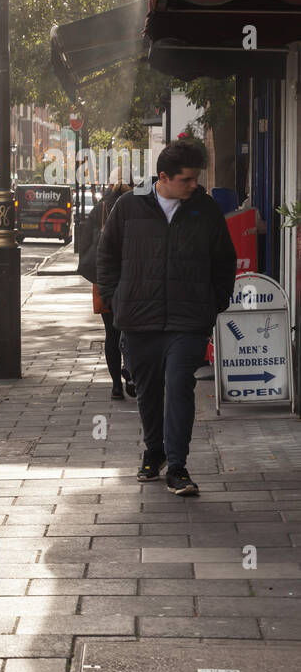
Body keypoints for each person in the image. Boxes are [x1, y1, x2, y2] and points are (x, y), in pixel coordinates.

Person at [95, 140, 236, 496]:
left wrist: (214, 303)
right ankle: (153, 451)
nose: (194, 186)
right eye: (187, 180)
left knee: (178, 387)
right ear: (164, 178)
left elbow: (224, 260)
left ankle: (177, 465)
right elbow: (106, 255)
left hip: (189, 320)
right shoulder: (129, 207)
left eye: (195, 179)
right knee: (147, 391)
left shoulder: (205, 210)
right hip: (139, 318)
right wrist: (116, 300)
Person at [78, 173, 135, 400]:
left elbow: (85, 246)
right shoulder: (136, 207)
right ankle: (131, 374)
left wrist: (97, 277)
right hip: (132, 280)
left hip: (106, 282)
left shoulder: (100, 209)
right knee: (133, 331)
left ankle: (115, 386)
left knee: (112, 334)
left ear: (110, 184)